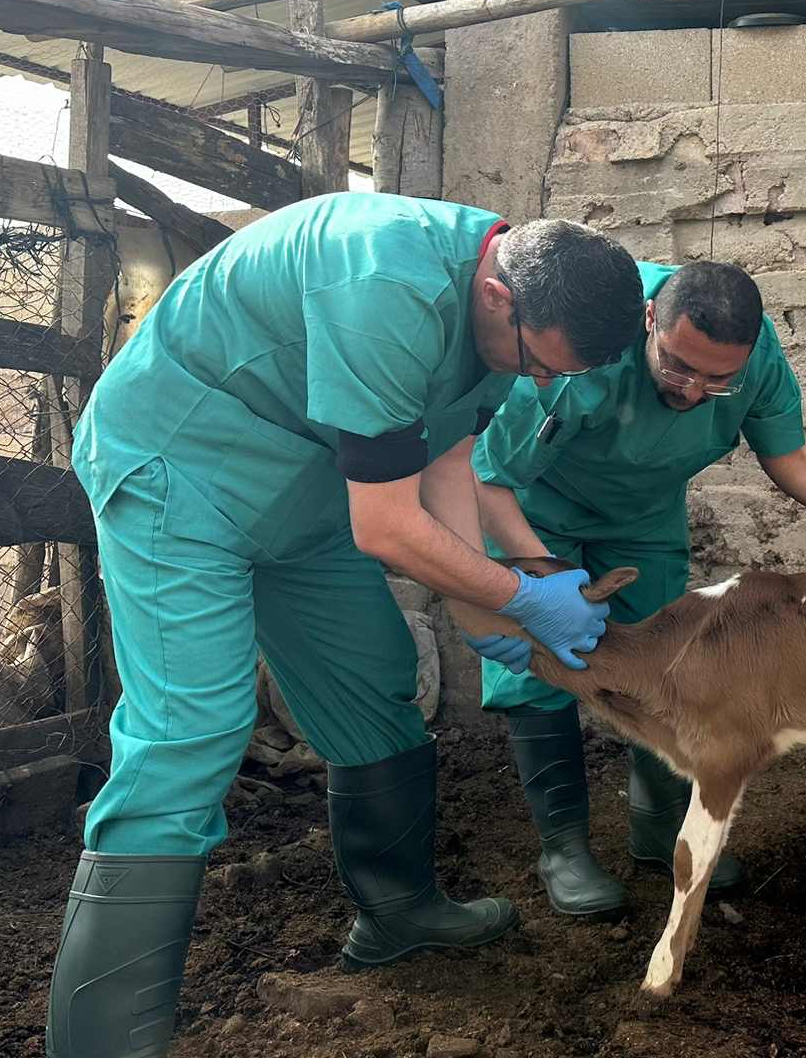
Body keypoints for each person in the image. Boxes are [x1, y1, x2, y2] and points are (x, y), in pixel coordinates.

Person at [47, 192, 648, 1058]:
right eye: (540, 365)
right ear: (497, 297)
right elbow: (388, 528)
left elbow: (448, 459)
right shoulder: (385, 281)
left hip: (301, 497)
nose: (543, 384)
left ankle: (399, 914)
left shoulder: (508, 306)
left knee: (373, 680)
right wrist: (521, 596)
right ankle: (100, 1045)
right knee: (191, 733)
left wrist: (481, 607)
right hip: (180, 471)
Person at [464, 260, 806, 918]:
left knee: (666, 659)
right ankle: (563, 849)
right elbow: (489, 477)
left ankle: (658, 826)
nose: (692, 390)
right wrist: (543, 577)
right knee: (544, 664)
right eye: (678, 367)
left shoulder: (753, 358)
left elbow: (787, 453)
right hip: (537, 514)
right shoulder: (587, 341)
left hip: (643, 518)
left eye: (718, 380)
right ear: (650, 319)